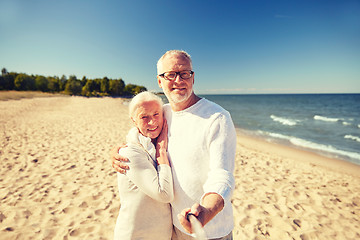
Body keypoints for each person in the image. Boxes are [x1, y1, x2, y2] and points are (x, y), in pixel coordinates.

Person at [112, 50, 236, 240]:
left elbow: (222, 175)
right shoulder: (162, 113)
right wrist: (118, 151)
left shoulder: (217, 117)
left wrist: (207, 210)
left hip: (210, 230)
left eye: (185, 73)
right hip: (174, 227)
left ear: (193, 78)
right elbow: (140, 133)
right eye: (171, 74)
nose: (178, 80)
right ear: (160, 81)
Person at [113, 91, 174, 240]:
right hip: (136, 235)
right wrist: (161, 152)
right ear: (134, 121)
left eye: (156, 114)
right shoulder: (129, 153)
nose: (152, 122)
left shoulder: (161, 141)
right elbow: (164, 194)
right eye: (144, 117)